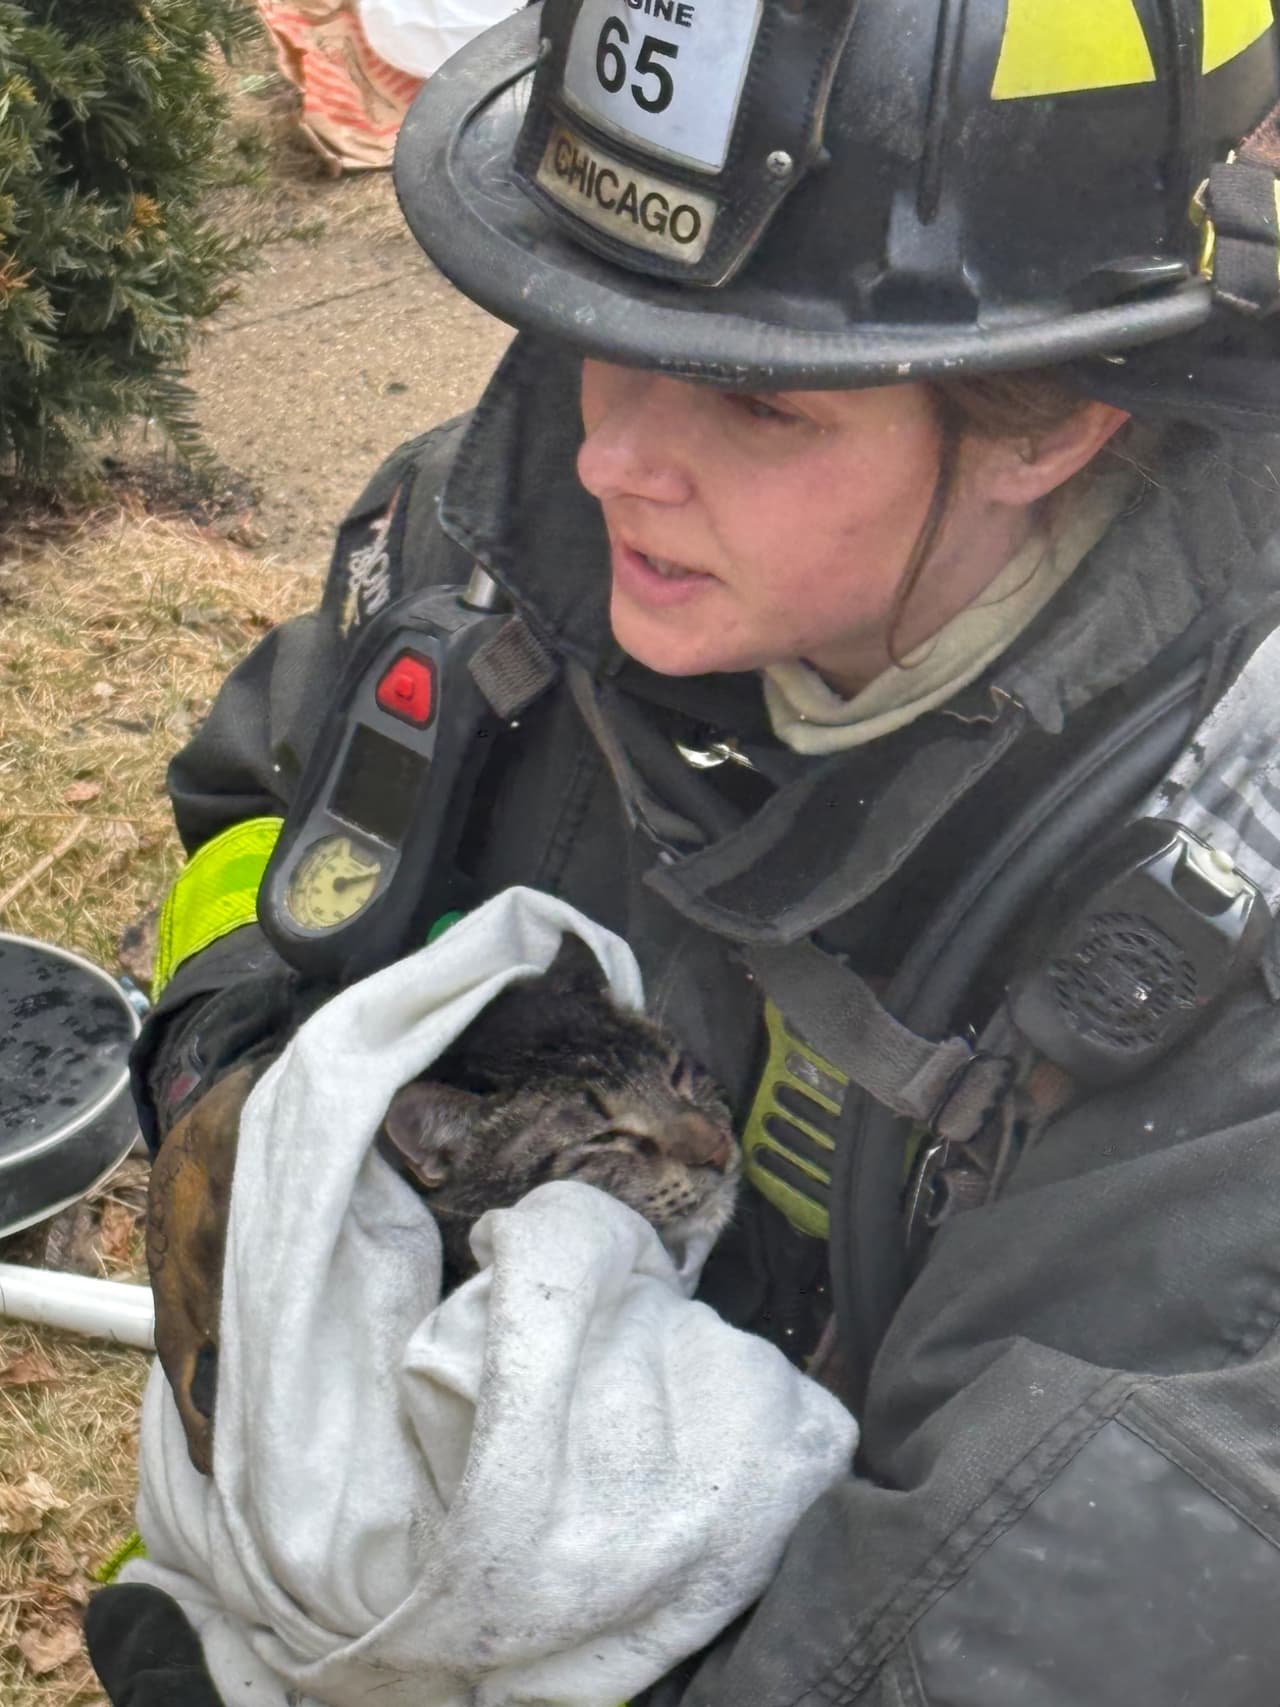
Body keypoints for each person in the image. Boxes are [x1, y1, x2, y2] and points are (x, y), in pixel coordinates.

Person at [86, 1, 1280, 1702]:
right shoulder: (497, 546)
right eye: (594, 319)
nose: (607, 454)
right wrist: (233, 1071)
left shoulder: (1227, 1021)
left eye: (751, 399)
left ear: (1052, 424)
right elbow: (266, 812)